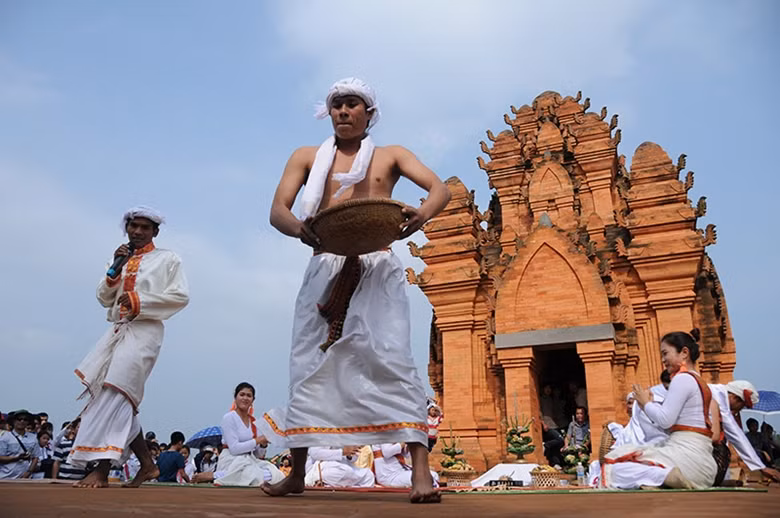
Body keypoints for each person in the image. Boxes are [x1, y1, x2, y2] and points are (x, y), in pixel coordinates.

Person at [262, 77, 450, 504]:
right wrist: (304, 233)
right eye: (337, 105)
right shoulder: (307, 157)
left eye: (353, 104)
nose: (344, 111)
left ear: (369, 113)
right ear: (329, 113)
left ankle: (421, 470)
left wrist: (418, 218)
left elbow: (441, 190)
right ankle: (297, 472)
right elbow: (278, 211)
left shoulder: (391, 156)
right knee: (308, 361)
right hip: (324, 263)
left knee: (393, 358)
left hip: (378, 264)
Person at [69, 206, 189, 488]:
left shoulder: (168, 259)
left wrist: (139, 301)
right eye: (133, 226)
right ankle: (147, 465)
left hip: (146, 331)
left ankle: (101, 469)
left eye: (144, 227)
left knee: (115, 391)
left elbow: (180, 296)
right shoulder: (121, 258)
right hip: (117, 331)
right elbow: (103, 297)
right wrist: (114, 270)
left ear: (155, 232)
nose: (137, 231)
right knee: (116, 396)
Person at [602, 329, 720, 489]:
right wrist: (649, 407)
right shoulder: (698, 381)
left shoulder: (682, 379)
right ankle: (662, 478)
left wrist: (645, 403)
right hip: (703, 465)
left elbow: (665, 421)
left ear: (684, 353)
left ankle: (662, 476)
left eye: (665, 353)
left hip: (687, 459)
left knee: (613, 466)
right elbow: (671, 423)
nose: (663, 360)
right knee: (630, 457)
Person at [194, 383, 285, 486]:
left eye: (249, 396)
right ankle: (216, 475)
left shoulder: (253, 422)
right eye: (242, 395)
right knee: (251, 474)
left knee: (276, 474)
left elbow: (258, 454)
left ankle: (220, 475)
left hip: (249, 460)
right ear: (235, 397)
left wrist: (263, 444)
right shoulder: (229, 418)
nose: (245, 398)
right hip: (231, 460)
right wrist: (257, 440)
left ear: (253, 400)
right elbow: (234, 448)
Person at [709, 380, 780, 482]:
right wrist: (761, 467)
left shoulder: (717, 395)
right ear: (735, 398)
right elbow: (737, 436)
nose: (739, 410)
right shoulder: (718, 399)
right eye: (742, 406)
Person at [372, 443, 439, 488]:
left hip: (400, 472)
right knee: (425, 479)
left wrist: (410, 445)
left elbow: (407, 455)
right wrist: (402, 443)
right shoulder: (384, 432)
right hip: (389, 476)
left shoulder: (394, 433)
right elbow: (387, 452)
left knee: (434, 475)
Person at [304, 446, 375, 488]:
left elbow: (353, 458)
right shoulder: (319, 429)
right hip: (320, 466)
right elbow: (315, 454)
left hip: (342, 465)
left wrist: (350, 454)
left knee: (369, 475)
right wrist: (342, 452)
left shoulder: (344, 430)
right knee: (344, 471)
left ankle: (349, 491)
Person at [0, 410, 39, 479]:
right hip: (5, 477)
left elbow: (35, 457)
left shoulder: (33, 438)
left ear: (28, 422)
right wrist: (17, 458)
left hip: (24, 478)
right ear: (14, 421)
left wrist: (29, 472)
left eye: (25, 419)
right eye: (19, 419)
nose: (22, 421)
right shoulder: (5, 437)